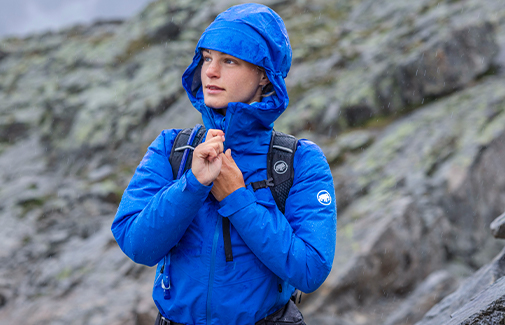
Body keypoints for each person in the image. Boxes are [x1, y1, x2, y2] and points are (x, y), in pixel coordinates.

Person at [111, 3, 336, 324]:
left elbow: (310, 270)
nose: (211, 72)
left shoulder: (298, 161)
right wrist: (192, 185)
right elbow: (137, 246)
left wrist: (238, 199)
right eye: (206, 59)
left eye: (229, 61)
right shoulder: (172, 148)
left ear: (264, 75)